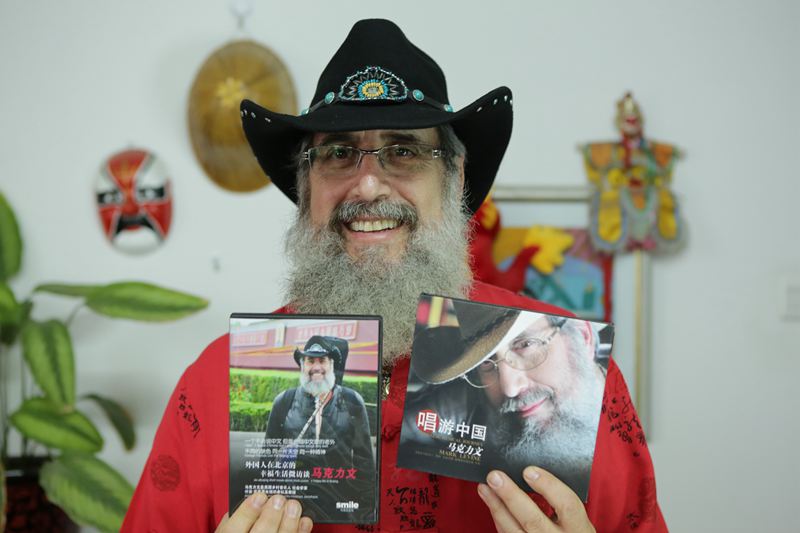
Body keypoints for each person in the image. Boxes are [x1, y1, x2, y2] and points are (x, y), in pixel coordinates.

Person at [122, 19, 667, 533]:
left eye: (403, 151)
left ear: (454, 179)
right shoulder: (215, 383)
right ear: (306, 188)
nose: (367, 186)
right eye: (339, 154)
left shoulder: (570, 366)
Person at [408, 300, 609, 502]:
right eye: (485, 363)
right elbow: (404, 429)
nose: (509, 388)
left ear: (583, 337)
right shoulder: (469, 403)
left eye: (525, 344)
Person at [263, 335, 375, 516]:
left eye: (322, 360)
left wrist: (365, 511)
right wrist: (271, 502)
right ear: (302, 365)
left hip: (339, 503)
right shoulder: (284, 401)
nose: (316, 367)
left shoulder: (352, 401)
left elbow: (364, 461)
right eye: (310, 361)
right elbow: (267, 458)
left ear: (332, 365)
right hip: (293, 504)